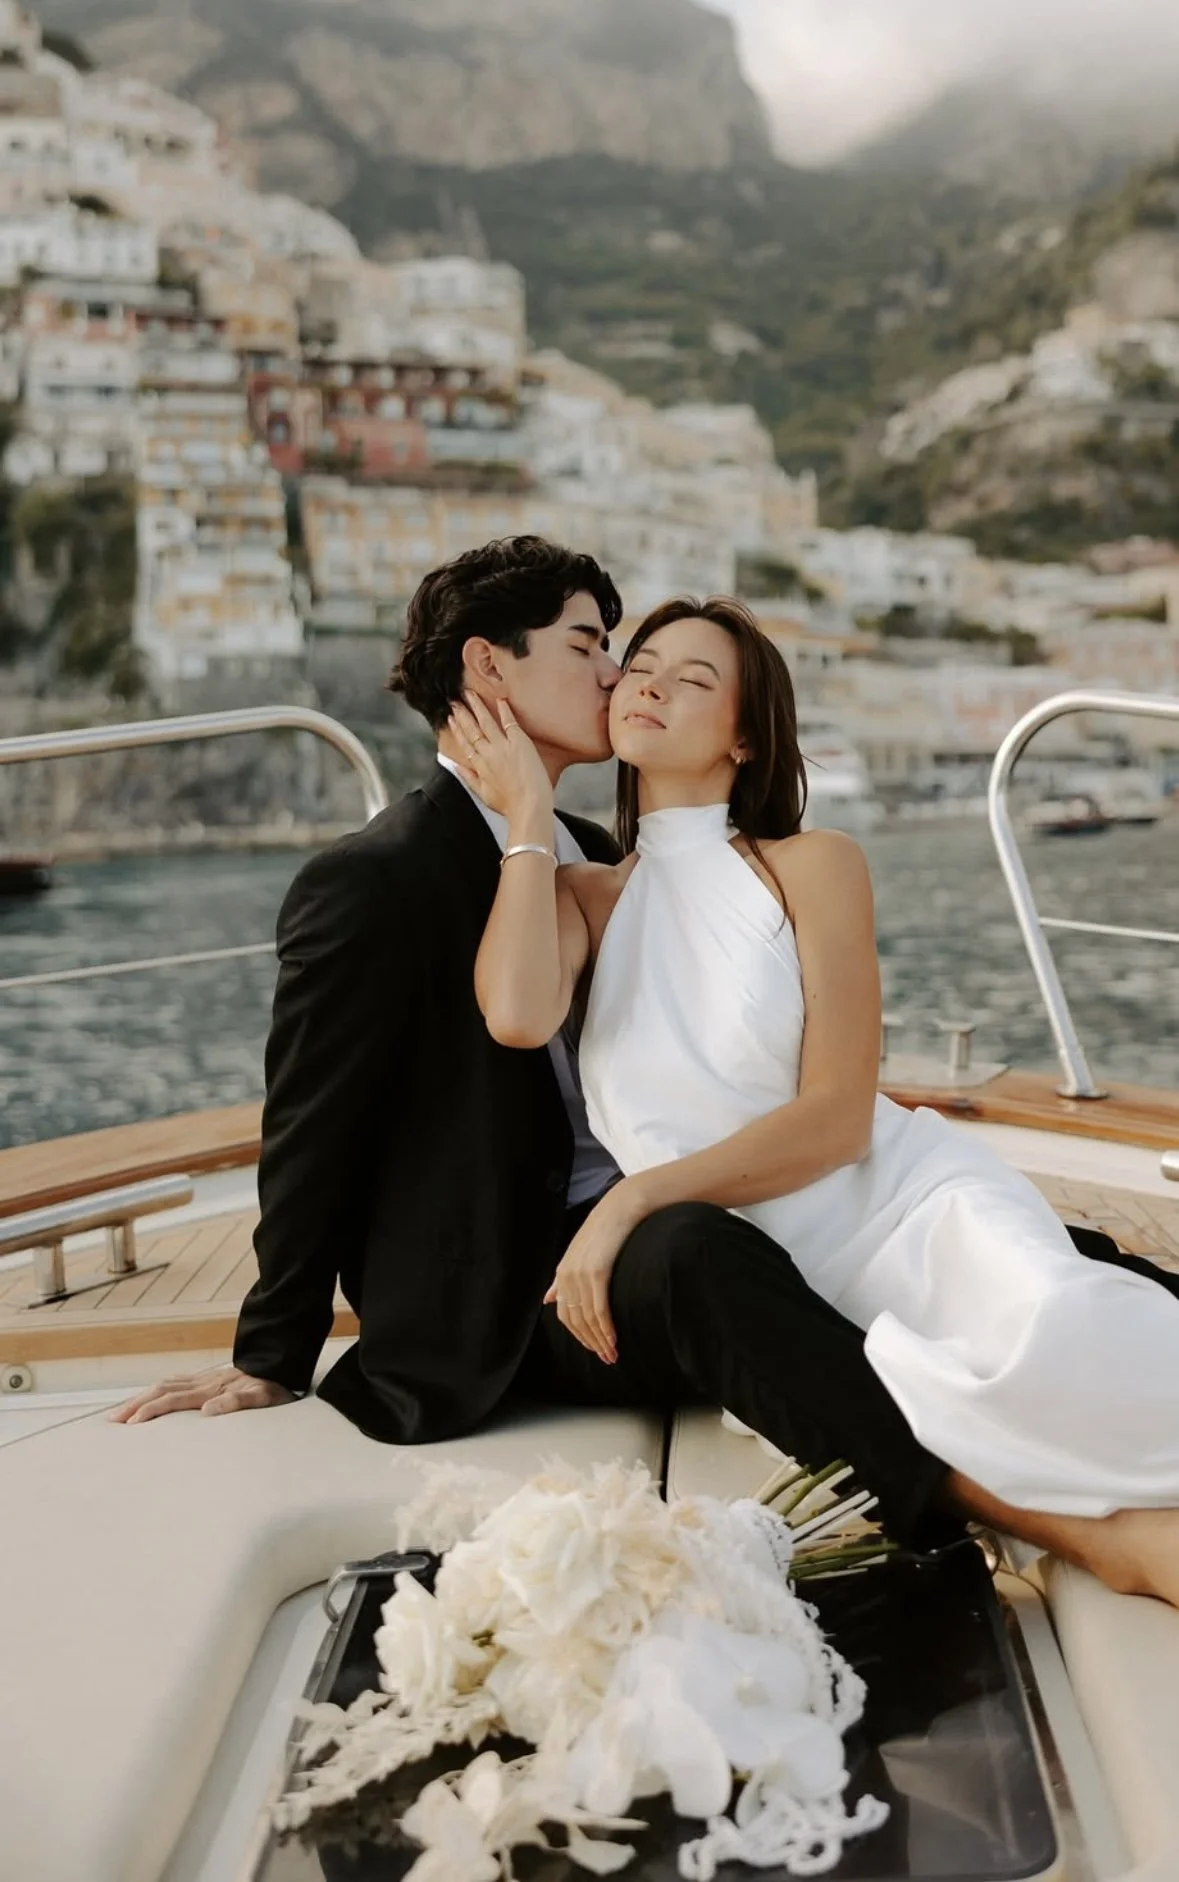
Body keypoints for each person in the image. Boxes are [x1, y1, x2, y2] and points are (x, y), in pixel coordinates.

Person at [111, 536, 961, 1562]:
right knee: (695, 1252)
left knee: (986, 1241)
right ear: (487, 666)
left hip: (662, 1218)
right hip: (511, 1298)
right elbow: (311, 1125)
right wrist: (274, 1353)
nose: (615, 673)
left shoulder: (600, 857)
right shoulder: (375, 879)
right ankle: (954, 1500)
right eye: (588, 644)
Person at [455, 592, 1179, 1606]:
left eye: (695, 678)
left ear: (746, 737)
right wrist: (529, 817)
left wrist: (632, 1198)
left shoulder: (814, 865)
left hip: (907, 1208)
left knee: (1071, 1335)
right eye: (643, 666)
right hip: (772, 1271)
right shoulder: (580, 899)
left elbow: (838, 1117)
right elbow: (520, 1015)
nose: (653, 683)